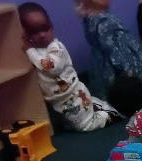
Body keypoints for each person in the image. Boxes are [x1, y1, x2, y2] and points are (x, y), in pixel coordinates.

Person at [19, 2, 118, 131]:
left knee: (85, 126)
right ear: (26, 34)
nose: (42, 35)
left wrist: (30, 51)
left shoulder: (56, 48)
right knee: (71, 123)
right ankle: (94, 105)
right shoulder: (37, 50)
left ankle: (108, 114)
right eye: (34, 32)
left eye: (45, 29)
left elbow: (50, 67)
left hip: (73, 96)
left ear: (52, 27)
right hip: (59, 101)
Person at [76, 0, 142, 100]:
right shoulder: (104, 22)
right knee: (137, 97)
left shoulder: (90, 19)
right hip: (120, 68)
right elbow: (119, 57)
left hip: (102, 66)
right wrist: (138, 80)